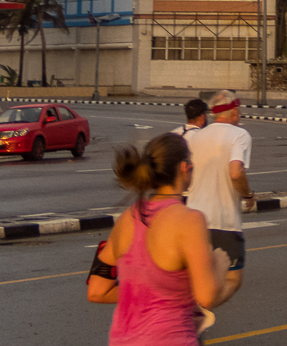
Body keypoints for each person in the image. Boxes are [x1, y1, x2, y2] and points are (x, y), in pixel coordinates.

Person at [88, 132, 228, 345]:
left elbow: (97, 290)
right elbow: (207, 296)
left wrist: (144, 294)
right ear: (184, 167)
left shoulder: (127, 217)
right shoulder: (190, 220)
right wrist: (219, 265)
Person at [184, 91, 255, 309]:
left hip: (192, 220)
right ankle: (196, 314)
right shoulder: (239, 135)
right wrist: (247, 195)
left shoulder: (194, 137)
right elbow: (236, 172)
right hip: (223, 222)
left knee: (192, 280)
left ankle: (183, 317)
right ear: (234, 110)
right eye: (239, 109)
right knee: (233, 279)